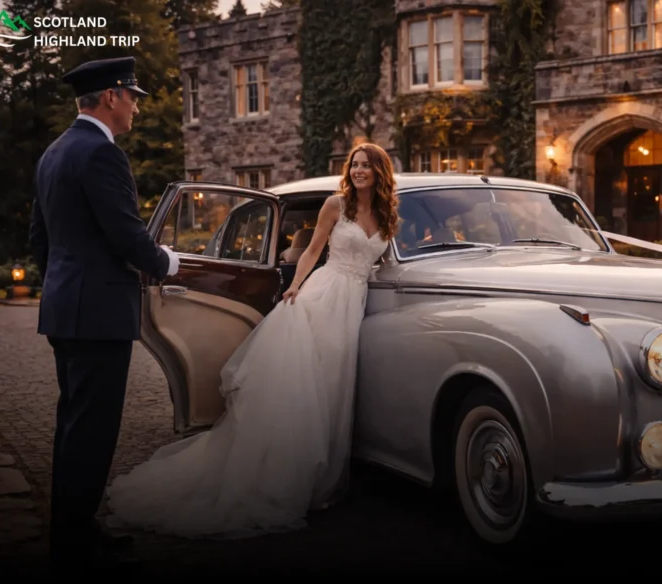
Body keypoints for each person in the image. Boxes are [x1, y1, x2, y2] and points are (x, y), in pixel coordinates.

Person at [103, 142, 398, 539]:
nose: (360, 171)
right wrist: (294, 287)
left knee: (335, 387)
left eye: (367, 165)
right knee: (308, 388)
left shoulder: (386, 212)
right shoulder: (335, 205)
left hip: (355, 302)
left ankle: (321, 477)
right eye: (355, 165)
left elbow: (381, 260)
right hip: (325, 296)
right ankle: (290, 477)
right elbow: (312, 251)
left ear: (380, 171)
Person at [28, 56, 180, 575]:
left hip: (67, 310)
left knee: (73, 427)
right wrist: (166, 263)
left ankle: (74, 529)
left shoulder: (54, 151)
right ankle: (74, 547)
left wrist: (62, 287)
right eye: (133, 97)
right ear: (112, 97)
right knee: (91, 433)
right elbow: (125, 233)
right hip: (97, 314)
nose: (137, 106)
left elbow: (39, 239)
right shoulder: (101, 153)